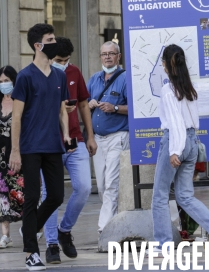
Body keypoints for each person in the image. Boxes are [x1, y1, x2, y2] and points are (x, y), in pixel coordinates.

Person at [150, 44, 209, 255]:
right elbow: (191, 121)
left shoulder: (168, 90)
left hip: (175, 141)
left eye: (163, 61)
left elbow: (175, 123)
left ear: (167, 64)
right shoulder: (189, 88)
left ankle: (163, 244)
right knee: (184, 196)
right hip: (192, 141)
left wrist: (174, 150)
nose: (162, 65)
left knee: (159, 196)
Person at [9, 24, 71, 272]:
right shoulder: (25, 76)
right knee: (32, 197)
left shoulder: (60, 75)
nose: (55, 41)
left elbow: (62, 109)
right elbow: (16, 117)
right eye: (50, 39)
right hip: (30, 146)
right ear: (38, 45)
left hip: (53, 145)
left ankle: (30, 226)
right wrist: (15, 150)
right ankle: (31, 253)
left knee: (56, 195)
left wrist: (66, 133)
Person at [41, 37, 97, 264]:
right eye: (58, 60)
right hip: (49, 143)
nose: (63, 64)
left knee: (84, 187)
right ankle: (51, 244)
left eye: (66, 60)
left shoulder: (74, 72)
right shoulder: (40, 74)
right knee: (50, 195)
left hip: (75, 140)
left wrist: (90, 135)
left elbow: (84, 103)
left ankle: (65, 230)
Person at [87, 41, 129, 235]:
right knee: (103, 185)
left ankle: (103, 229)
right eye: (104, 54)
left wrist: (115, 108)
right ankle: (114, 221)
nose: (107, 57)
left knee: (112, 183)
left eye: (111, 53)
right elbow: (83, 105)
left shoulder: (126, 78)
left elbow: (135, 109)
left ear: (118, 56)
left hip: (118, 137)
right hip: (98, 139)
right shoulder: (94, 79)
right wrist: (89, 104)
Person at [0, 66, 25, 248]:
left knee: (22, 193)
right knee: (2, 193)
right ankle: (5, 235)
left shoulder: (21, 101)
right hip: (0, 155)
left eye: (7, 80)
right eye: (1, 81)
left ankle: (31, 228)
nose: (4, 84)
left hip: (19, 152)